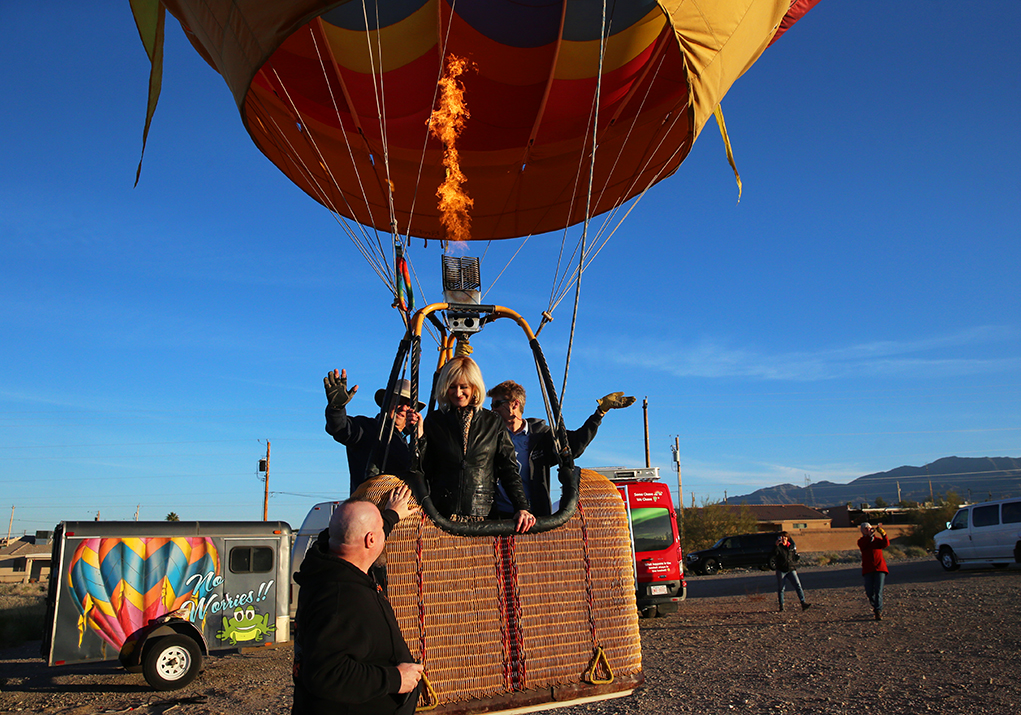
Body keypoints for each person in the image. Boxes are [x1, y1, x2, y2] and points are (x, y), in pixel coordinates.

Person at [292, 486, 424, 715]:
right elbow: (325, 674)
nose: (386, 531)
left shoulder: (328, 565)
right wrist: (395, 679)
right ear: (371, 539)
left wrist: (389, 517)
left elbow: (348, 530)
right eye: (382, 529)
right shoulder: (340, 597)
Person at [420, 356, 536, 533]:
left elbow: (508, 468)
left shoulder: (493, 422)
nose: (458, 393)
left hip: (483, 515)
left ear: (474, 387)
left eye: (463, 387)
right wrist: (419, 438)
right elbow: (423, 468)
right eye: (452, 387)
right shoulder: (435, 421)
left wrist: (521, 507)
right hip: (441, 516)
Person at [486, 380, 635, 516]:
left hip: (533, 516)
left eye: (497, 404)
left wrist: (599, 413)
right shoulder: (490, 436)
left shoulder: (541, 437)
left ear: (514, 404)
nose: (492, 409)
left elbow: (574, 446)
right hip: (499, 516)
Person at [324, 369, 424, 491]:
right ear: (385, 404)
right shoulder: (368, 429)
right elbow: (341, 428)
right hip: (369, 505)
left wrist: (419, 437)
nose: (403, 408)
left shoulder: (410, 446)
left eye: (408, 405)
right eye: (399, 401)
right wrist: (336, 409)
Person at [858, 521, 890, 620]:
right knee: (869, 591)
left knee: (878, 590)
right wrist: (869, 537)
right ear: (862, 531)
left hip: (880, 568)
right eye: (865, 529)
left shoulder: (877, 541)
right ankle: (875, 605)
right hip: (868, 569)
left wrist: (883, 534)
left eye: (869, 528)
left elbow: (885, 544)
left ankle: (878, 610)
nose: (868, 530)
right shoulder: (862, 541)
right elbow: (864, 546)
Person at [771, 531, 811, 612]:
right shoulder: (778, 547)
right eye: (781, 537)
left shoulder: (791, 547)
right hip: (781, 570)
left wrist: (795, 561)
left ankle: (803, 603)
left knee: (798, 586)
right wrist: (776, 546)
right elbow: (773, 555)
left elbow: (794, 556)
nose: (783, 538)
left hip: (791, 569)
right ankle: (781, 605)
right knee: (781, 588)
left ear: (787, 538)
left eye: (784, 537)